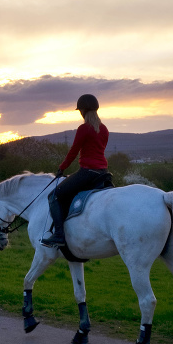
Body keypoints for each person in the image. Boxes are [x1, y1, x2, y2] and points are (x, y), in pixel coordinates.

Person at [41, 94, 110, 248]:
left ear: (83, 110)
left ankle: (59, 235)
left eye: (80, 110)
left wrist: (62, 167)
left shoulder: (84, 128)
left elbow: (74, 151)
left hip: (87, 173)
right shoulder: (104, 129)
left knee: (54, 196)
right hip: (103, 172)